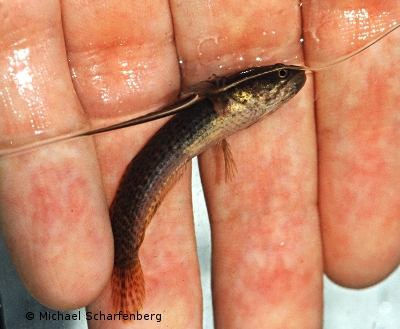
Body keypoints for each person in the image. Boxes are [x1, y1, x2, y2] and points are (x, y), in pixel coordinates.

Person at [0, 1, 399, 328]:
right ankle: (126, 258)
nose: (286, 81)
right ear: (242, 93)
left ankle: (125, 259)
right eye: (276, 76)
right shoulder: (223, 103)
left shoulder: (235, 105)